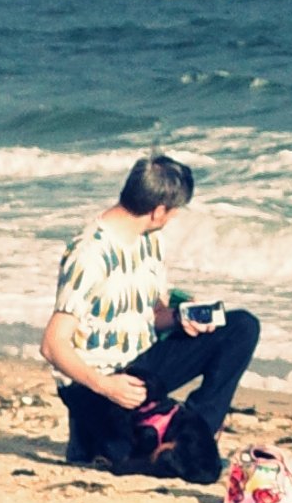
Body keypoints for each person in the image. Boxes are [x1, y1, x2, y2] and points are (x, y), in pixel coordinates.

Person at [41, 152, 259, 471]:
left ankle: (196, 431)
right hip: (97, 382)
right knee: (126, 457)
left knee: (242, 327)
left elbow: (152, 314)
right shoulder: (89, 254)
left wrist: (180, 317)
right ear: (158, 211)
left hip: (142, 366)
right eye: (173, 212)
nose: (171, 219)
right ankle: (90, 434)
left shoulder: (151, 242)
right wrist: (105, 385)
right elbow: (52, 344)